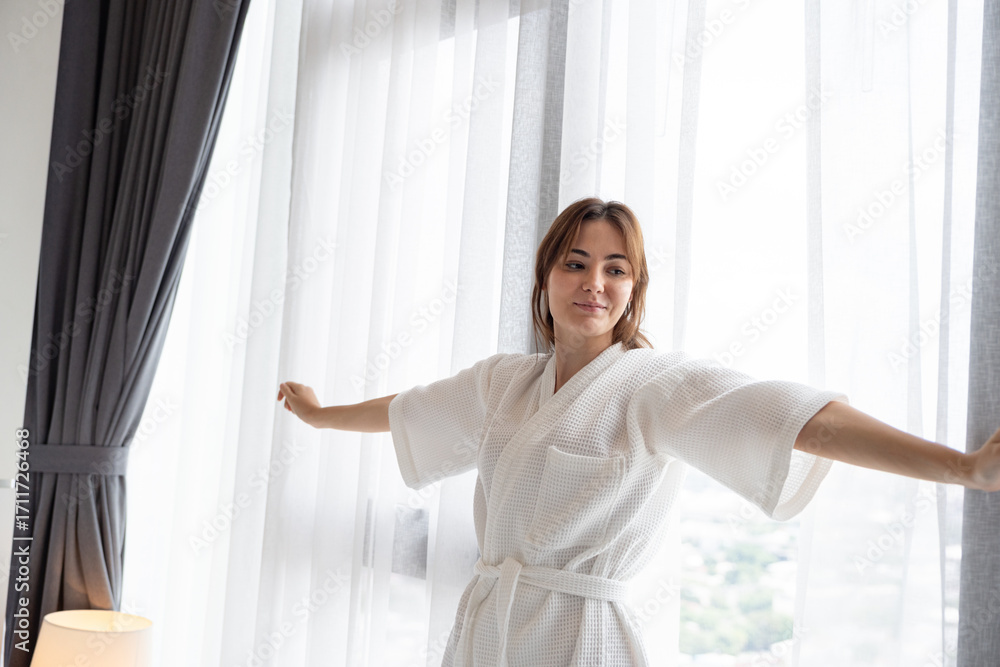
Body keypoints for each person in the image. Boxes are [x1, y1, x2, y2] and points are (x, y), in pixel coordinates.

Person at [277, 197, 1000, 666]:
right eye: (576, 263)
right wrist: (320, 414)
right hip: (487, 631)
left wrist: (961, 467)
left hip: (581, 638)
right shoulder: (503, 382)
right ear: (545, 278)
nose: (594, 282)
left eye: (615, 269)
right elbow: (410, 409)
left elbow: (799, 420)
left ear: (633, 291)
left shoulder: (655, 387)